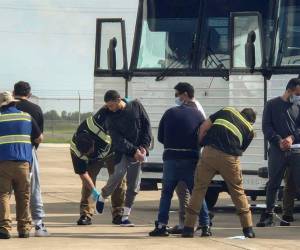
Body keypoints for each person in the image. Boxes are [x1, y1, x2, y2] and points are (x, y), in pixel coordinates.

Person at [182, 106, 257, 238]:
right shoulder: (250, 130)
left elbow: (204, 127)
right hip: (230, 158)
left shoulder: (227, 110)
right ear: (251, 121)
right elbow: (240, 150)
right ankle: (248, 229)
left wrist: (202, 145)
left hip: (209, 153)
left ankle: (188, 228)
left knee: (199, 189)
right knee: (237, 192)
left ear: (241, 112)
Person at [148, 98, 211, 237]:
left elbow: (160, 137)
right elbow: (203, 136)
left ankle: (161, 226)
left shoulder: (169, 112)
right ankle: (205, 226)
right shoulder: (198, 115)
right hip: (190, 159)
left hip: (171, 158)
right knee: (197, 193)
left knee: (166, 195)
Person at [94, 90, 152, 227]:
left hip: (139, 151)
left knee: (134, 185)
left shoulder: (136, 106)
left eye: (111, 105)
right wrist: (134, 151)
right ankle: (102, 196)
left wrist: (144, 146)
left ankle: (125, 217)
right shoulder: (110, 117)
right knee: (118, 175)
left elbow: (146, 126)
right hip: (124, 152)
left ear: (118, 100)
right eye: (107, 106)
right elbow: (118, 140)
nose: (109, 108)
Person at [166, 82, 211, 235]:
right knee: (188, 191)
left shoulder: (193, 108)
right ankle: (196, 223)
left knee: (185, 191)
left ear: (184, 94)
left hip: (188, 156)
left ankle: (189, 223)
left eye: (177, 94)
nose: (176, 98)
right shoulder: (196, 107)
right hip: (193, 155)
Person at [70, 107, 126, 225]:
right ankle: (86, 214)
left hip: (113, 152)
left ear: (93, 142)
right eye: (86, 154)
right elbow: (83, 174)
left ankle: (118, 213)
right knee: (88, 182)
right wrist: (94, 191)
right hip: (95, 160)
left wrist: (124, 103)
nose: (88, 154)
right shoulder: (76, 150)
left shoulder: (98, 126)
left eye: (89, 151)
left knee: (118, 180)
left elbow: (108, 107)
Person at [257, 78, 300, 227]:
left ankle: (288, 214)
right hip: (277, 151)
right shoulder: (272, 105)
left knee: (296, 183)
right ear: (290, 90)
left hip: (296, 151)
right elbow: (266, 127)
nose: (298, 96)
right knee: (273, 183)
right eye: (297, 93)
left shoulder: (299, 106)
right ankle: (269, 214)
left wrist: (292, 137)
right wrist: (279, 141)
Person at [0, 91, 43, 239]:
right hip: (24, 163)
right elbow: (39, 138)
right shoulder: (26, 116)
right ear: (13, 102)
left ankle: (5, 228)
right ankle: (24, 228)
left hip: (3, 163)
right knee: (23, 195)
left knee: (3, 195)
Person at [13, 81, 49, 236]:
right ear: (29, 94)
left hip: (4, 153)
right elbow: (39, 136)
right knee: (33, 189)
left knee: (4, 192)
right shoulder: (35, 109)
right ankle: (39, 225)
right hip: (28, 152)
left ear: (14, 92)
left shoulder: (5, 108)